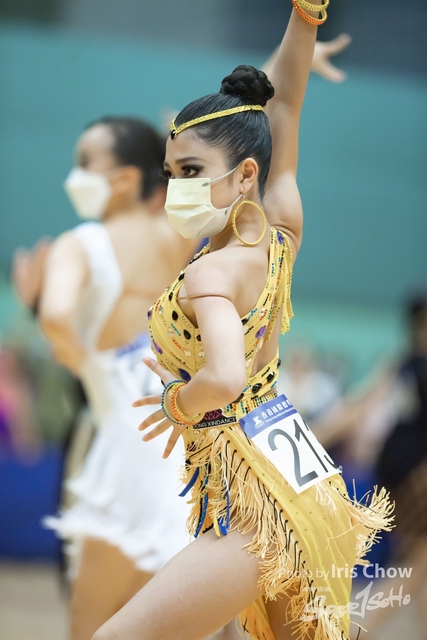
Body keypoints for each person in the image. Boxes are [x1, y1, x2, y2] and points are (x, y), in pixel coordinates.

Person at [93, 3, 393, 640]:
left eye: (191, 172)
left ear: (244, 175)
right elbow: (283, 110)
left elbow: (226, 377)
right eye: (172, 173)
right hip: (304, 490)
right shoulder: (282, 230)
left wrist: (178, 403)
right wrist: (305, 20)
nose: (177, 188)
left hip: (252, 506)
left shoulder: (209, 274)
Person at [39, 116, 198, 640]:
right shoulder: (174, 238)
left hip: (125, 450)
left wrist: (80, 359)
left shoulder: (80, 243)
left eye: (85, 162)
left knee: (92, 624)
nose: (75, 174)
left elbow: (56, 316)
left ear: (126, 178)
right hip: (182, 442)